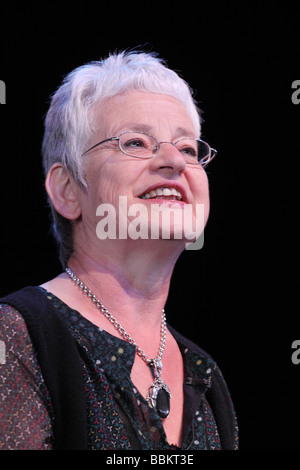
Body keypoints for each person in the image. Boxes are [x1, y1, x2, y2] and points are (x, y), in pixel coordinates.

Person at [0, 50, 238, 450]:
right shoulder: (16, 338)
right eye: (135, 142)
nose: (173, 162)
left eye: (188, 148)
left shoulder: (206, 375)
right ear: (68, 191)